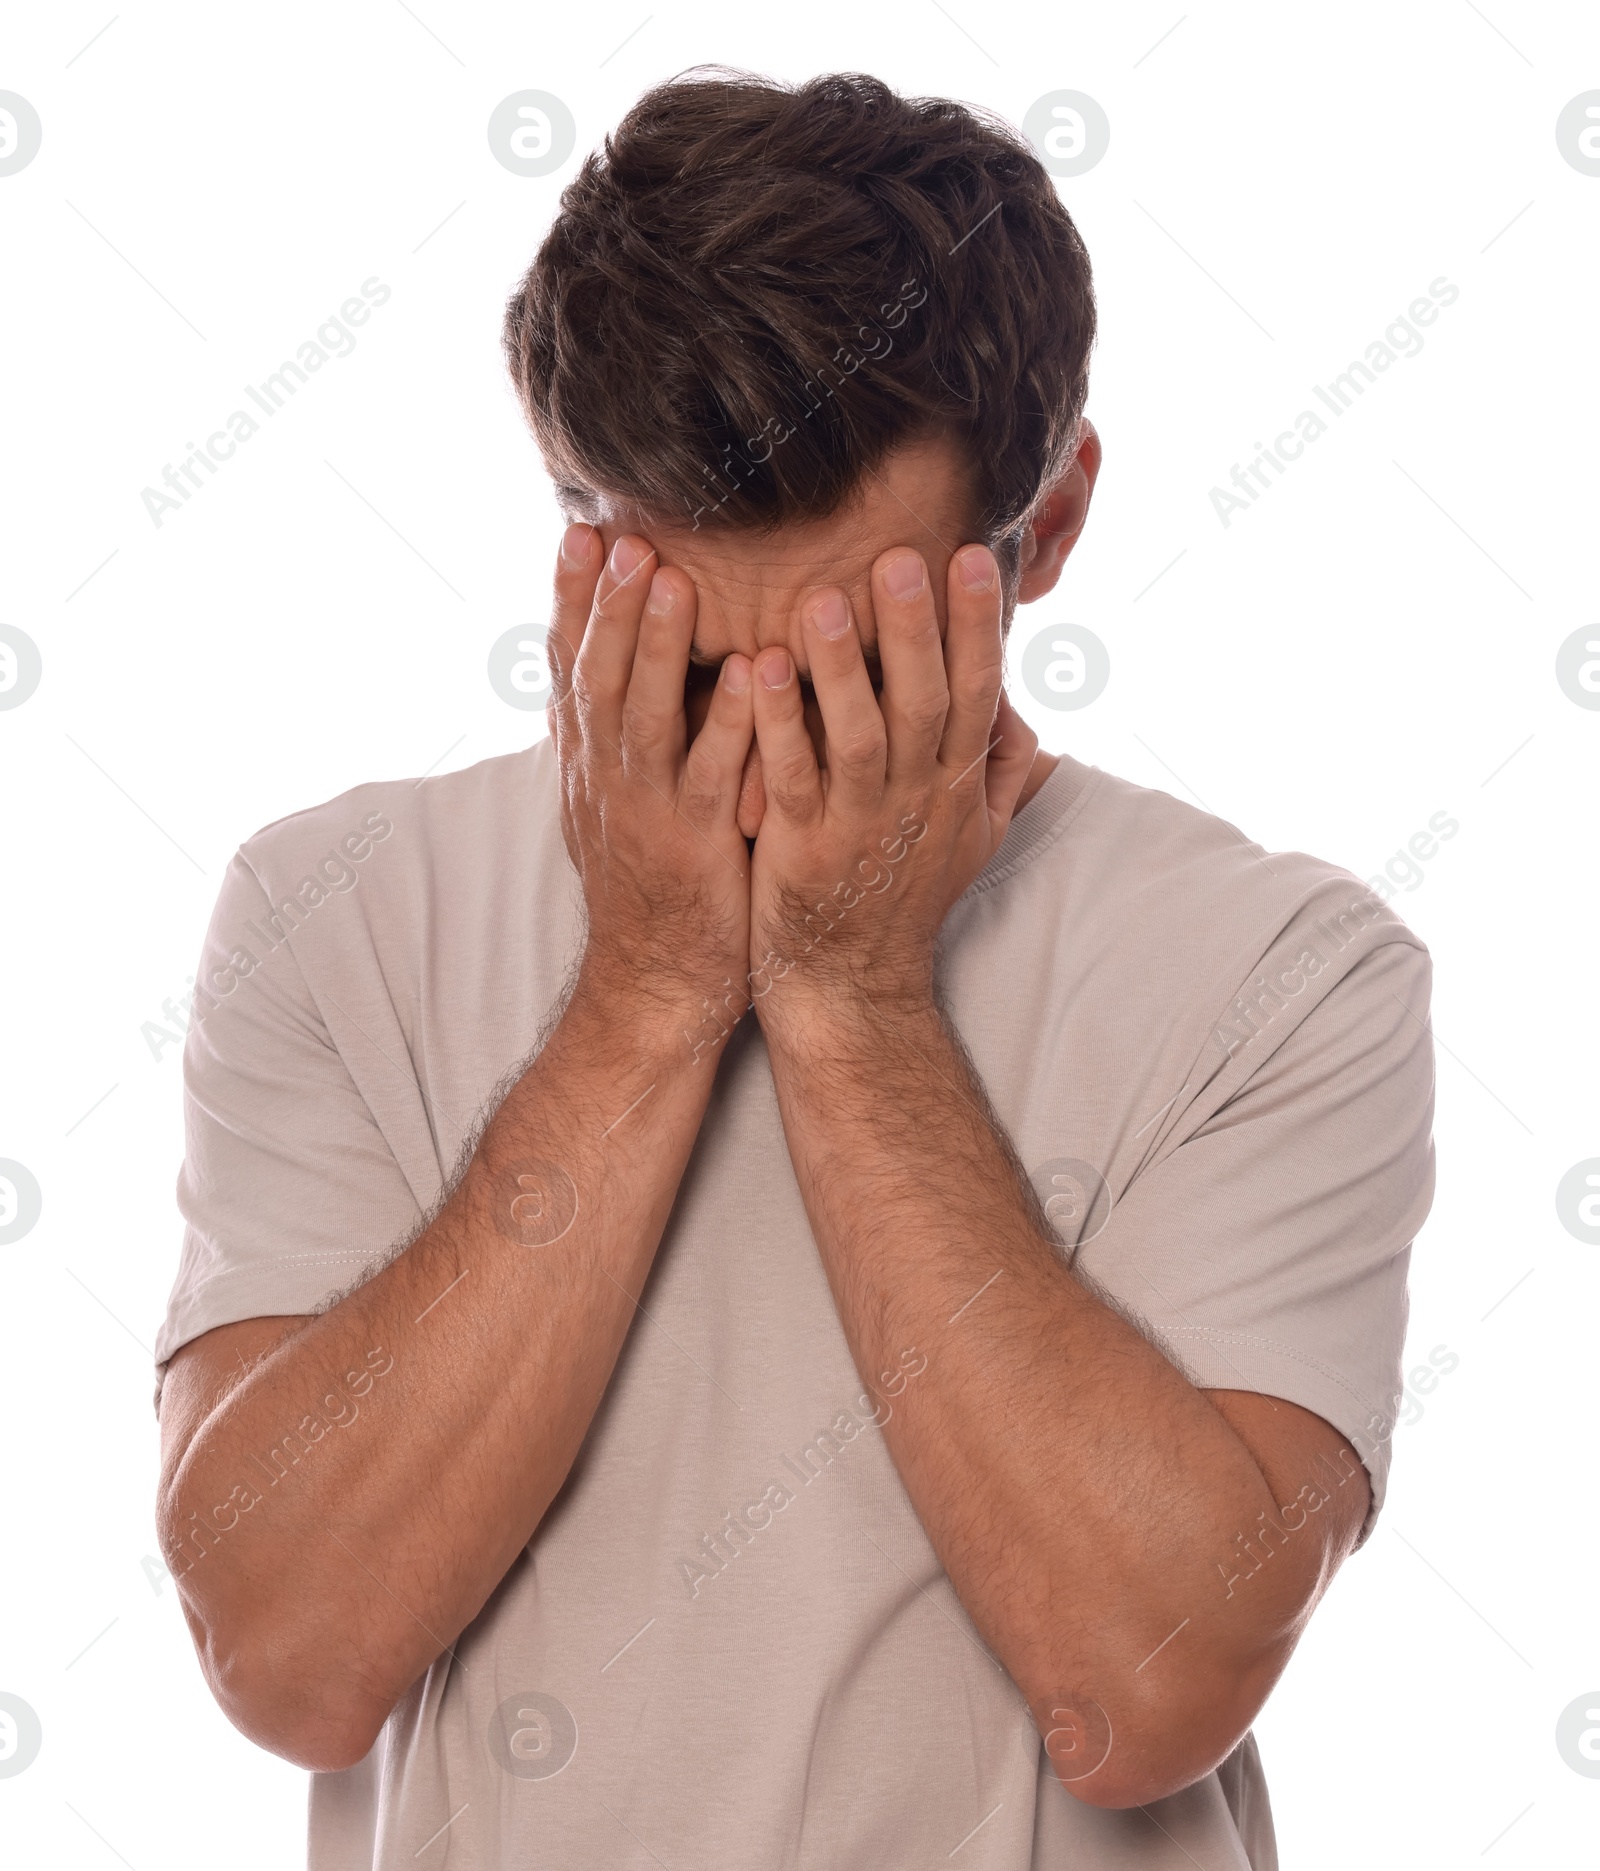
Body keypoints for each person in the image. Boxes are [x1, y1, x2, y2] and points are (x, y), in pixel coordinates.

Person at [154, 69, 1435, 1869]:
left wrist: (852, 998)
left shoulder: (1283, 973)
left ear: (1048, 530)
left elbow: (1146, 1691)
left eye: (848, 659)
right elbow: (286, 1659)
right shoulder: (329, 911)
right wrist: (652, 990)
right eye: (677, 643)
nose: (759, 742)